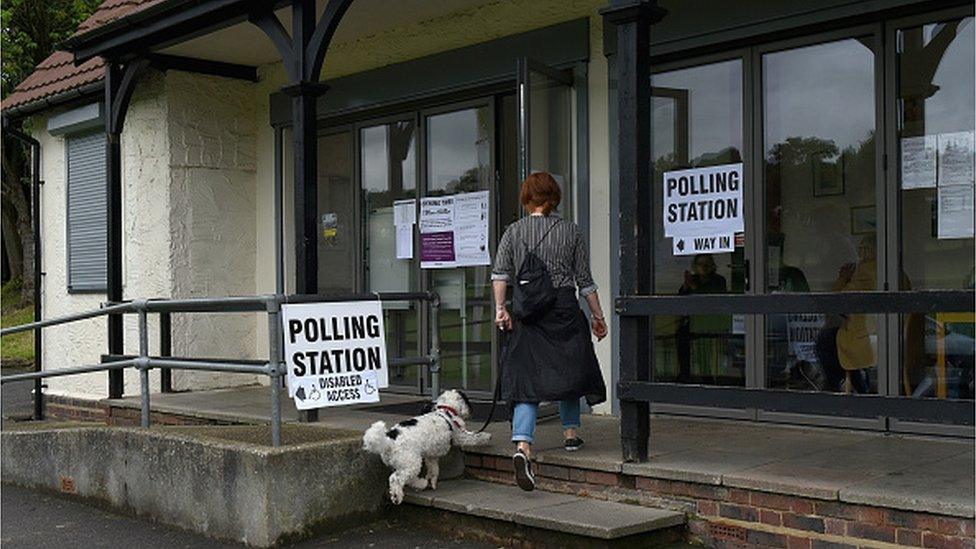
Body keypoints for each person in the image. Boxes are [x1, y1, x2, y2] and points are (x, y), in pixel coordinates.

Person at [491, 172, 608, 492]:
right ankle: (570, 435)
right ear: (554, 197)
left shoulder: (513, 232)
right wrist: (598, 316)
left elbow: (500, 274)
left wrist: (501, 309)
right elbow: (585, 280)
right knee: (568, 365)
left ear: (527, 198)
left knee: (528, 376)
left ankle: (523, 446)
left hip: (528, 313)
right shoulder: (570, 231)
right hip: (564, 309)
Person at [675, 254, 727, 383]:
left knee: (704, 352)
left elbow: (712, 299)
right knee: (681, 337)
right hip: (692, 321)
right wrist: (687, 285)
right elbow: (681, 297)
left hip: (709, 322)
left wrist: (693, 287)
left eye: (707, 264)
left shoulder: (719, 280)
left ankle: (707, 378)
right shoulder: (693, 279)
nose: (703, 267)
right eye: (700, 264)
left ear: (712, 266)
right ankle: (685, 374)